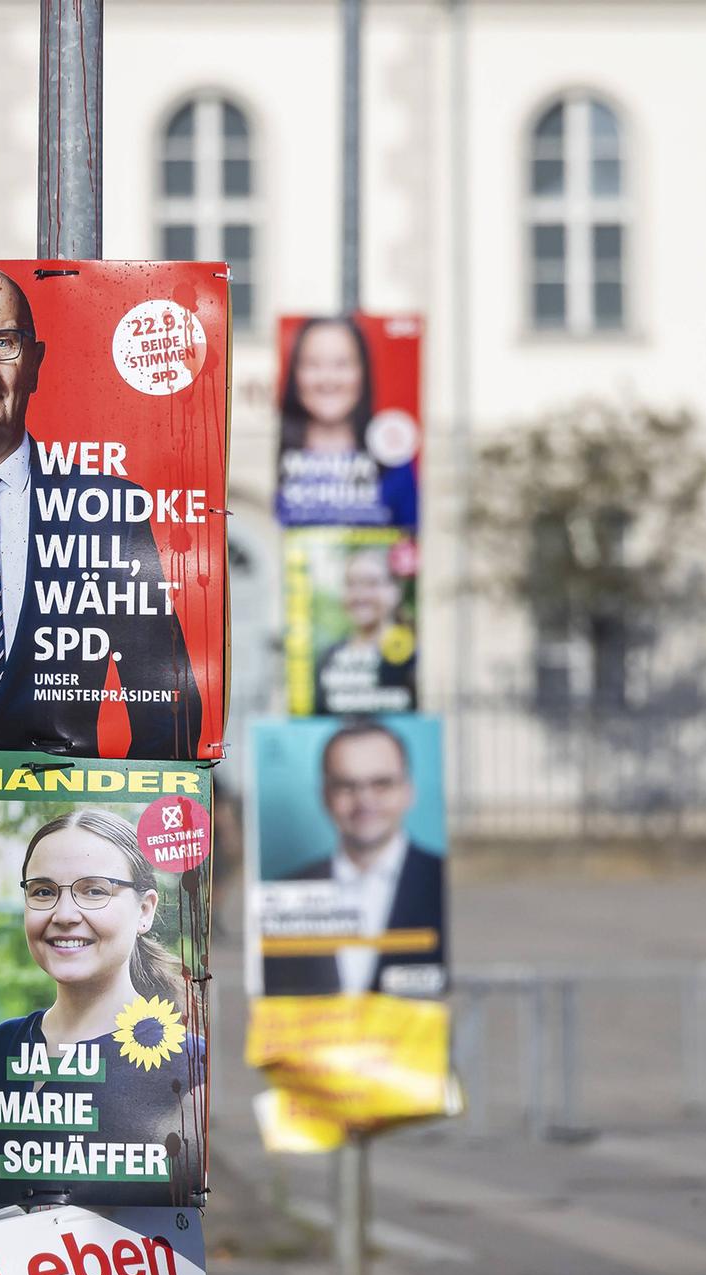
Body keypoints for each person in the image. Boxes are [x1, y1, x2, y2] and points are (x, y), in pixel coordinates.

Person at [0, 266, 203, 759]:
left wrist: (106, 814)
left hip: (67, 821)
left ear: (36, 364)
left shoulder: (108, 512)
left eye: (4, 343)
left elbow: (169, 712)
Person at [0, 809, 205, 1207]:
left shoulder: (186, 1062)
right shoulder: (4, 1044)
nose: (63, 915)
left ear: (145, 911)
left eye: (94, 891)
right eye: (43, 891)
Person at [264, 721, 447, 998]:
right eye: (347, 786)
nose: (365, 800)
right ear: (325, 796)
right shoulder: (283, 894)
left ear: (408, 790)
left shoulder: (439, 880)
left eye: (381, 783)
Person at [276, 316, 416, 526]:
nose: (328, 379)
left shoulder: (395, 469)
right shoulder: (279, 462)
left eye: (342, 364)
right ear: (295, 374)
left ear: (362, 372)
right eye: (312, 364)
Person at [312, 545, 415, 712]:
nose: (360, 595)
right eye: (351, 584)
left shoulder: (413, 656)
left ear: (396, 590)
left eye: (371, 583)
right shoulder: (328, 659)